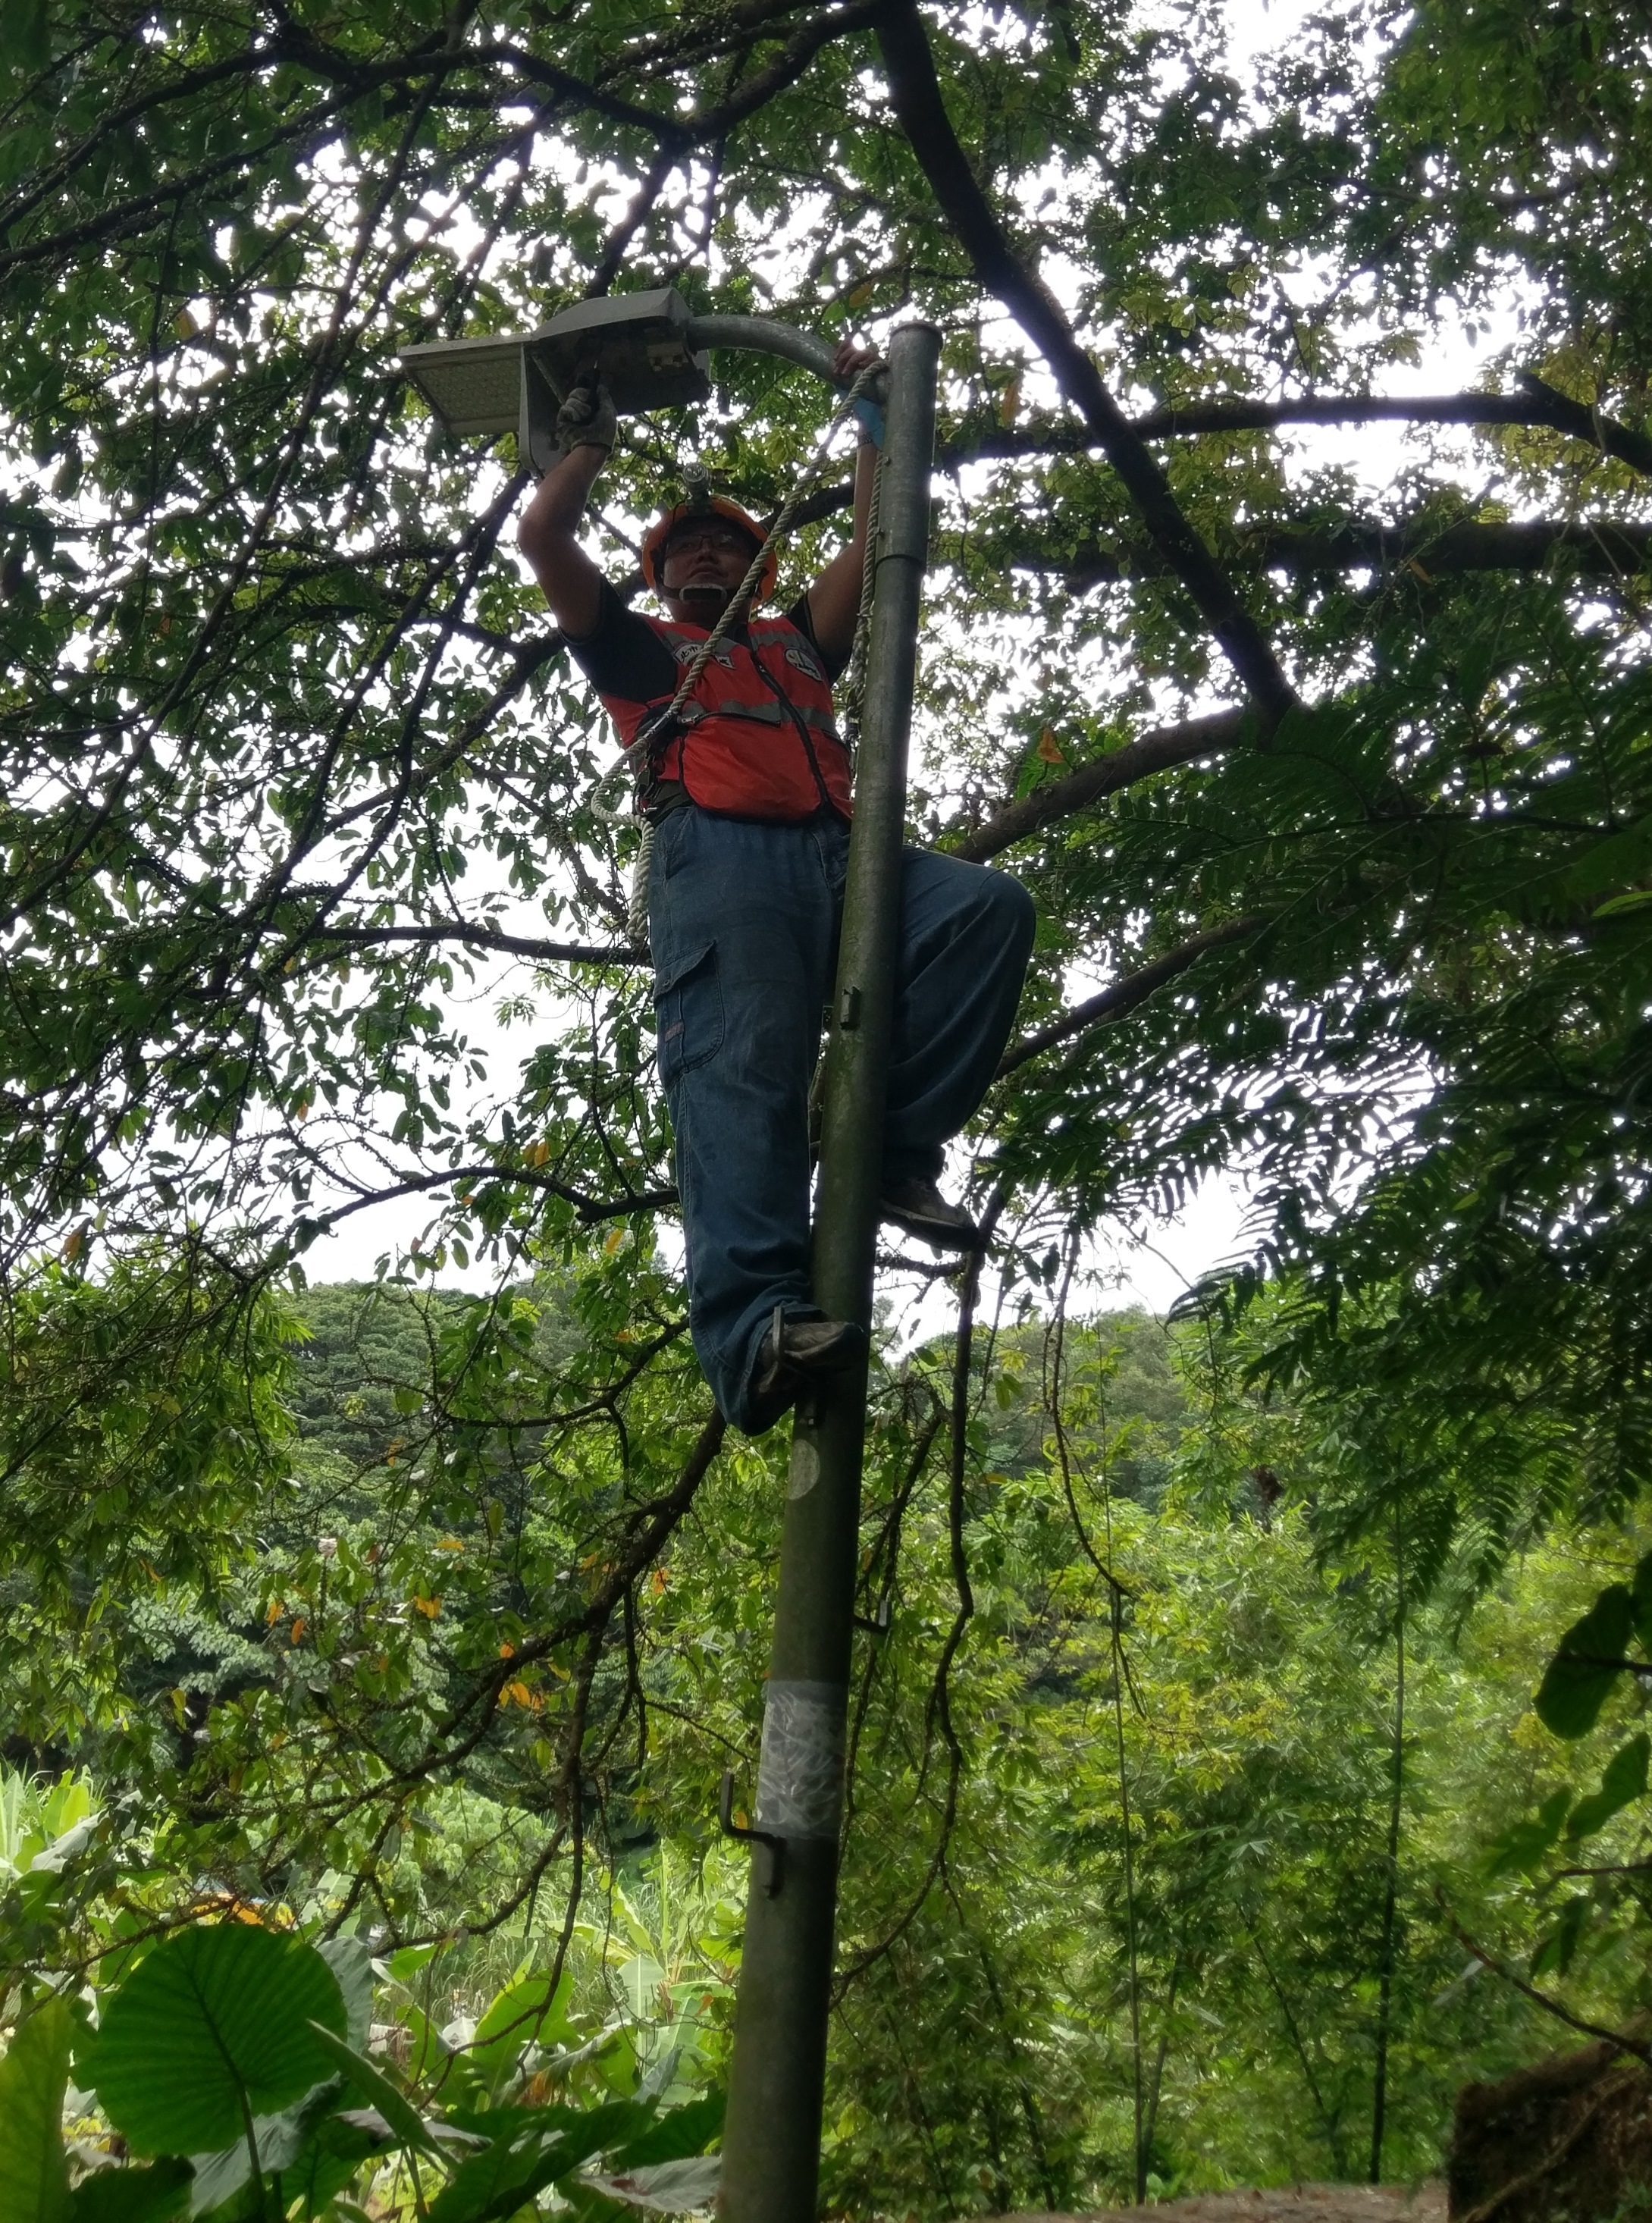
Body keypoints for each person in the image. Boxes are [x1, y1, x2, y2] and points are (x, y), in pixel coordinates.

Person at [518, 343, 1036, 1436]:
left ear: (756, 572)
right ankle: (756, 1331)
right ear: (662, 578)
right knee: (741, 1069)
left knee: (986, 912)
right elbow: (544, 539)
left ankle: (890, 1150)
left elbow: (880, 538)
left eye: (728, 544)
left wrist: (875, 420)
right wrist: (587, 446)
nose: (706, 552)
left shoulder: (796, 645)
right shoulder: (643, 652)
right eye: (685, 547)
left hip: (842, 855)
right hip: (720, 860)